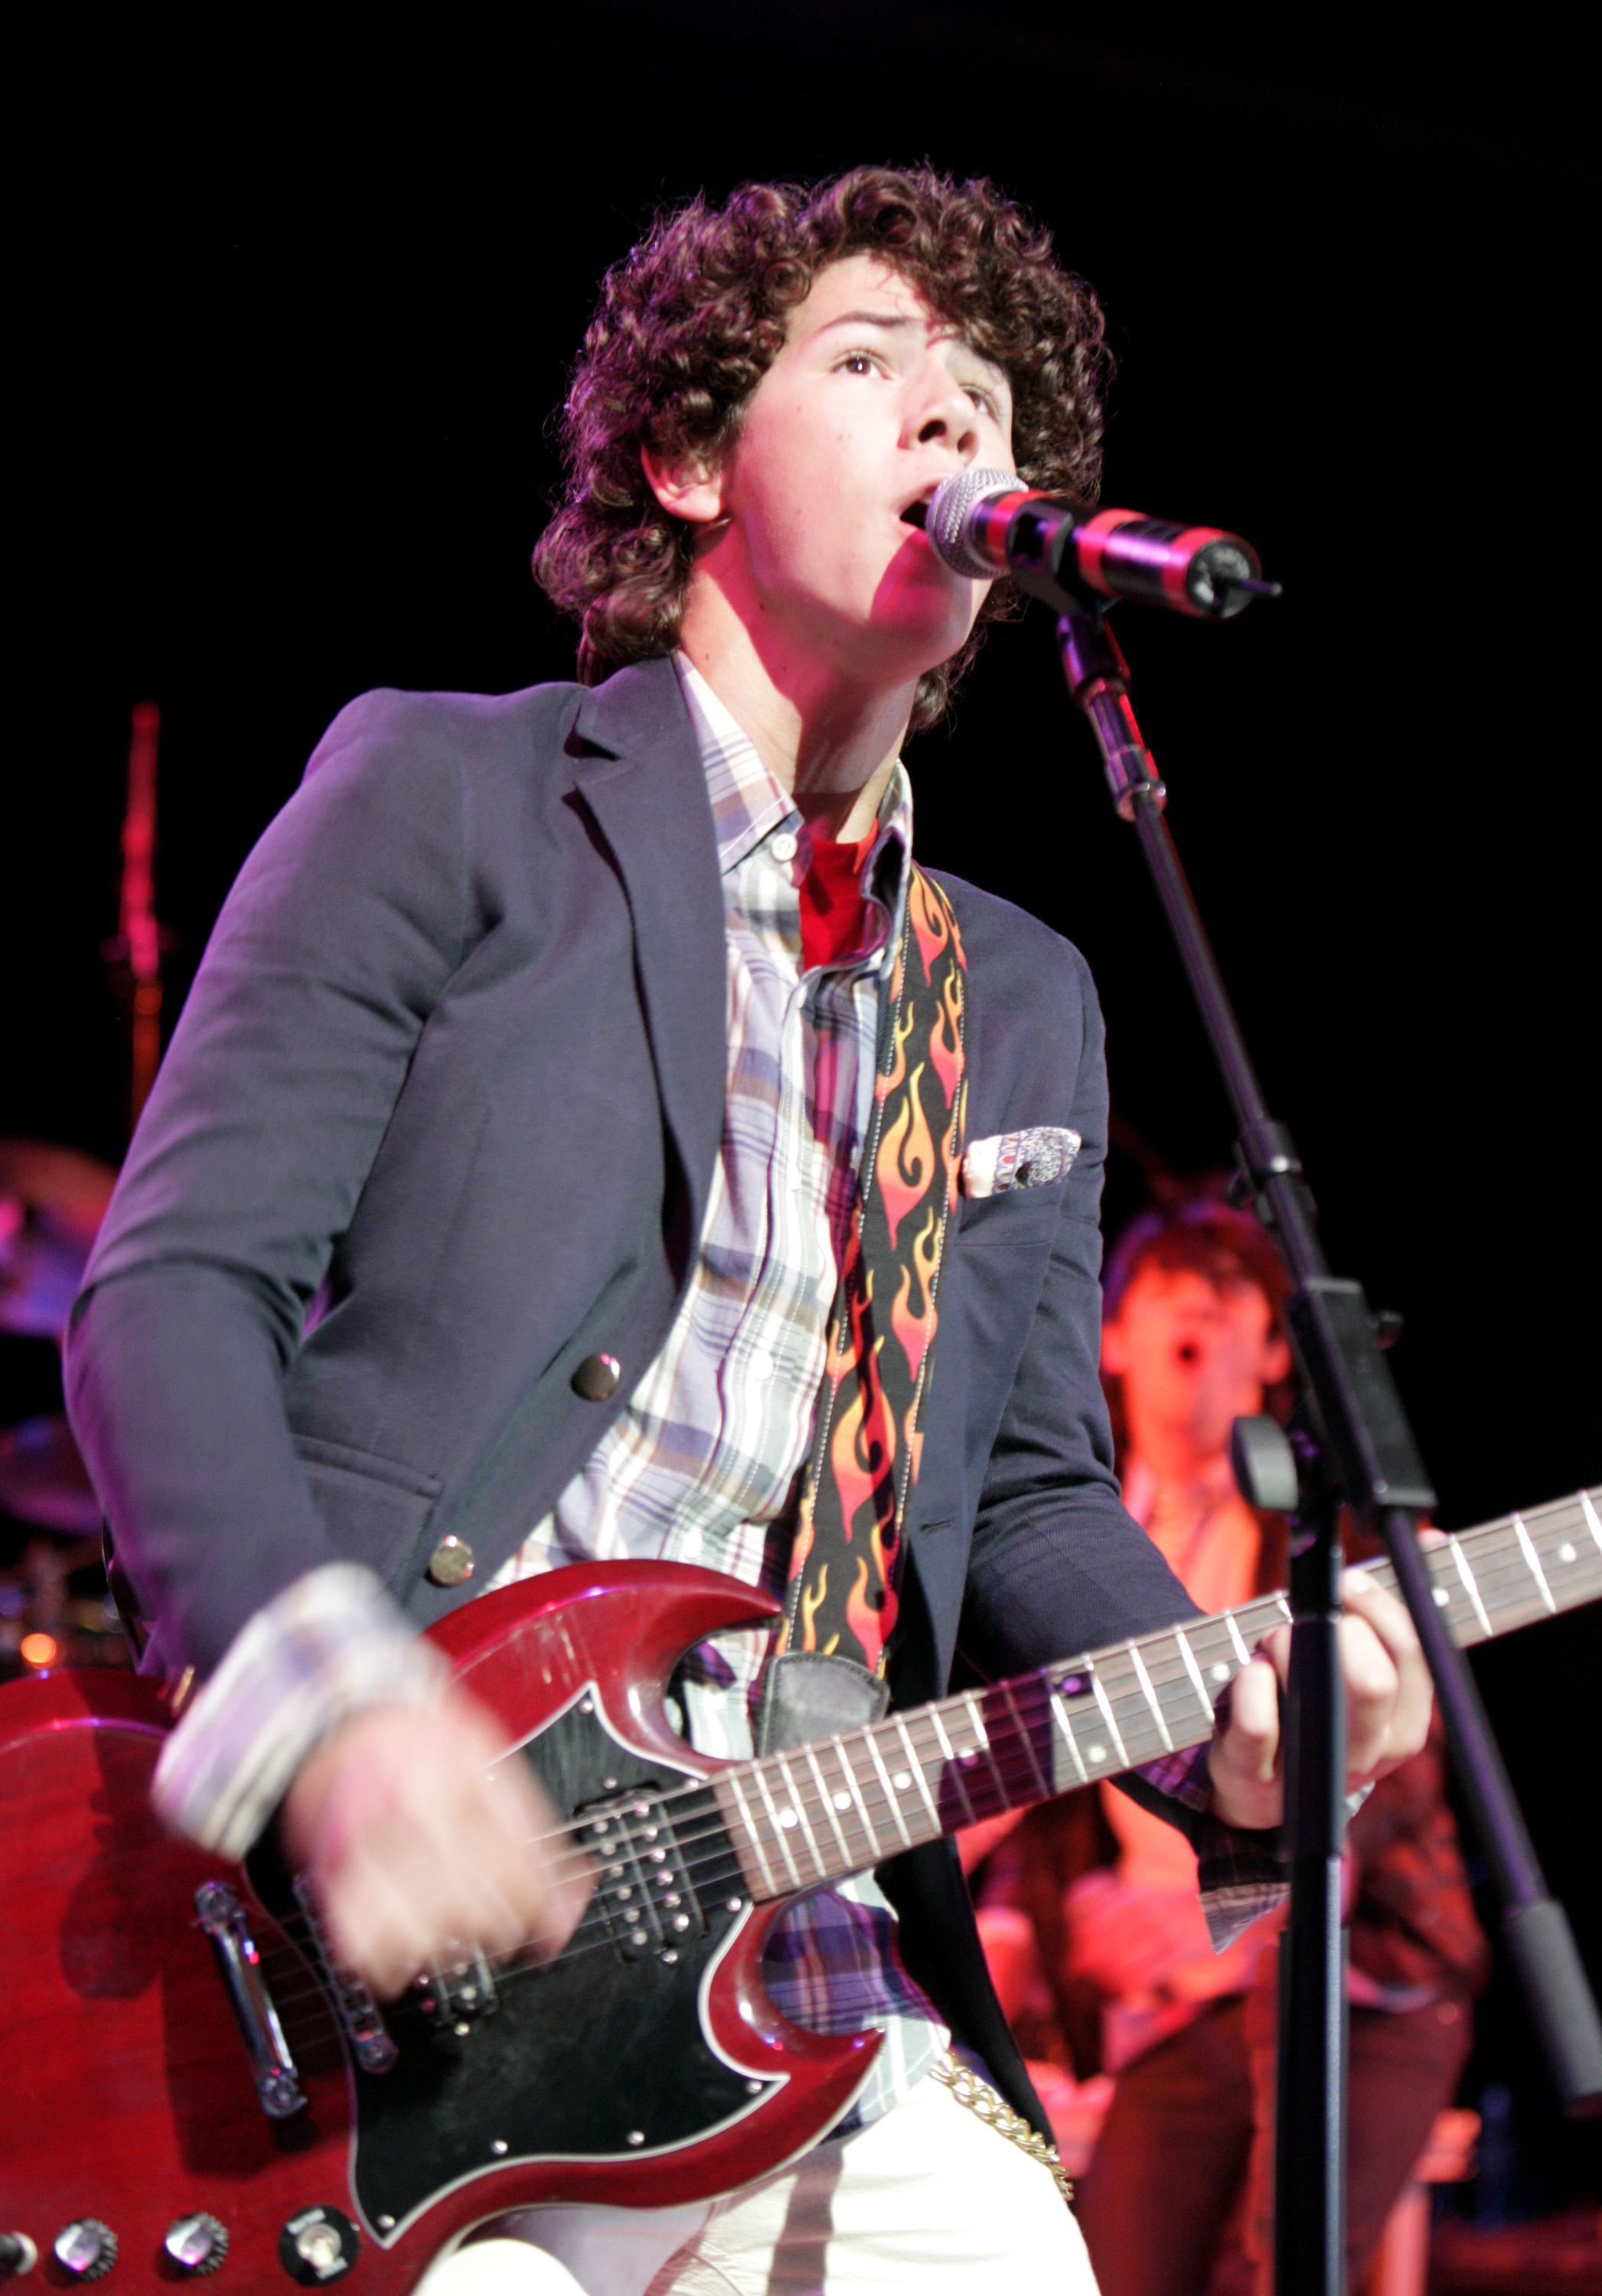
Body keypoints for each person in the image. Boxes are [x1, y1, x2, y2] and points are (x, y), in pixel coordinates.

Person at [64, 168, 1434, 2296]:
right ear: (689, 456)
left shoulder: (1025, 994)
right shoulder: (444, 794)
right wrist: (330, 1703)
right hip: (379, 1920)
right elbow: (170, 1292)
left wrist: (1219, 1725)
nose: (946, 433)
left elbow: (1022, 1504)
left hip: (805, 1956)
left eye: (983, 406)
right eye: (870, 368)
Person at [972, 1200, 1486, 2294]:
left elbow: (1386, 1781)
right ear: (1107, 1338)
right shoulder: (1036, 1564)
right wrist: (1030, 1929)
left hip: (1356, 1982)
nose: (1198, 1306)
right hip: (1170, 2010)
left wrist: (1214, 1918)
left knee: (1276, 2270)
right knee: (1114, 2269)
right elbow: (1028, 1806)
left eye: (1231, 1290)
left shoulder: (1327, 1536)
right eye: (1168, 1287)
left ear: (1267, 1354)